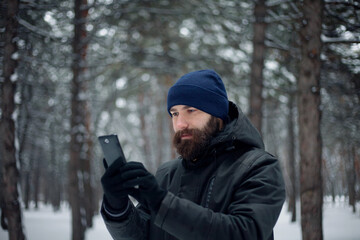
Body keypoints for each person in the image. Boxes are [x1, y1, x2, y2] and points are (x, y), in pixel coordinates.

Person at [100, 69, 286, 240]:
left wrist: (162, 203)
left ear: (217, 116)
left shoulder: (258, 167)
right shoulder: (167, 173)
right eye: (174, 113)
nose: (180, 123)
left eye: (190, 110)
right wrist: (117, 206)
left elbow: (243, 233)